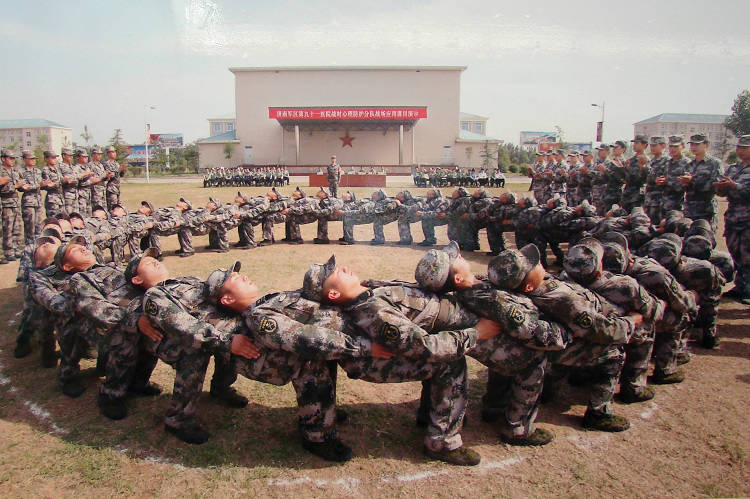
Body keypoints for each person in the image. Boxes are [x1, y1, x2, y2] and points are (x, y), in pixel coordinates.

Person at [305, 255, 502, 465]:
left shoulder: (367, 291)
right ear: (334, 293)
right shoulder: (374, 312)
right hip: (376, 363)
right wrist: (476, 333)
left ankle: (431, 414)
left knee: (444, 351)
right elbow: (425, 348)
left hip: (396, 347)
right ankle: (443, 442)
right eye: (336, 273)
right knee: (450, 362)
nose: (343, 268)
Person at [715, 134, 750, 305]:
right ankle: (740, 286)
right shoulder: (734, 169)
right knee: (735, 251)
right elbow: (722, 192)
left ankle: (748, 290)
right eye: (739, 147)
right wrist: (721, 188)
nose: (740, 150)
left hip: (747, 217)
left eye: (744, 147)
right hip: (733, 216)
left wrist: (734, 186)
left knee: (748, 253)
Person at [682, 134, 723, 231]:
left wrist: (693, 181)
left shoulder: (715, 163)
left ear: (706, 145)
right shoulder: (689, 165)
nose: (693, 147)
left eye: (697, 144)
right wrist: (685, 184)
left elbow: (716, 185)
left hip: (706, 209)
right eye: (691, 145)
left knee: (705, 239)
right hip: (689, 209)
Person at [0, 148, 23, 263]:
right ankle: (8, 252)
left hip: (15, 203)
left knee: (17, 227)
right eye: (10, 158)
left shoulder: (15, 171)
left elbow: (20, 183)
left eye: (14, 158)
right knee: (7, 228)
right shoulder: (1, 171)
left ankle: (16, 249)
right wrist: (15, 186)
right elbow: (3, 190)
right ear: (3, 159)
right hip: (6, 204)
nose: (13, 160)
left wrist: (21, 186)